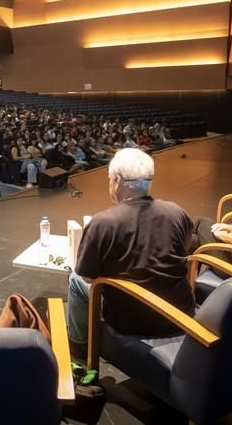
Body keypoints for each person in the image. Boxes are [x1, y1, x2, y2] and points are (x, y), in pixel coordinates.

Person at [67, 149, 194, 359]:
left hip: (132, 321)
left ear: (117, 181)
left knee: (74, 279)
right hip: (178, 313)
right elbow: (183, 250)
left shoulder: (103, 222)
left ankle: (79, 350)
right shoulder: (177, 213)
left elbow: (87, 276)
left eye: (109, 179)